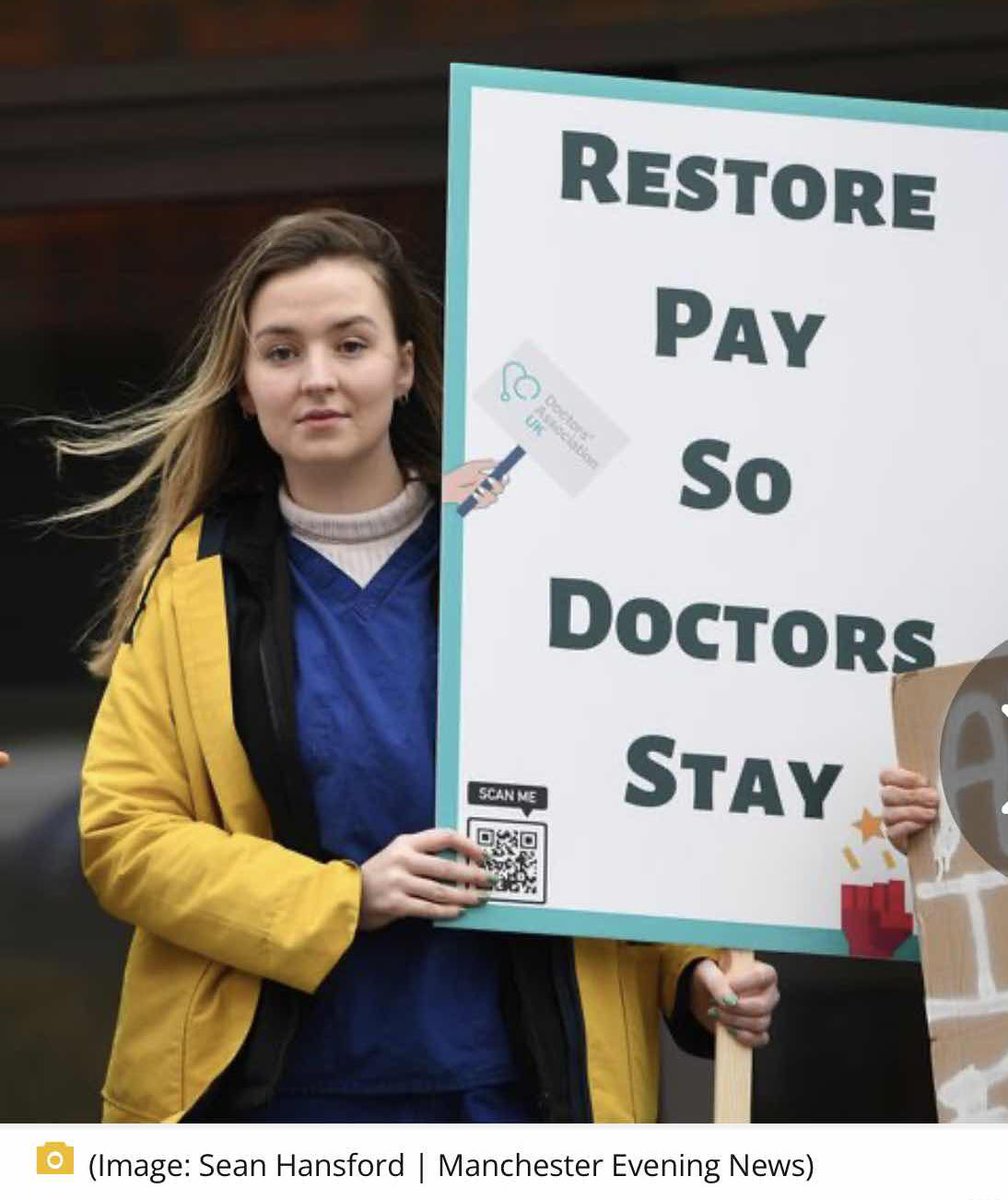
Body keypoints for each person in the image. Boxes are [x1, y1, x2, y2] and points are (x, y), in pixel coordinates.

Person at [72, 209, 778, 1124]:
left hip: (520, 1104)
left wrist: (690, 973)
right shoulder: (192, 583)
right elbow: (123, 837)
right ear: (244, 389)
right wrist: (342, 899)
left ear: (404, 366)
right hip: (269, 1108)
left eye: (351, 343)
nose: (318, 377)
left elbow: (617, 813)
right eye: (280, 352)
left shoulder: (539, 563)